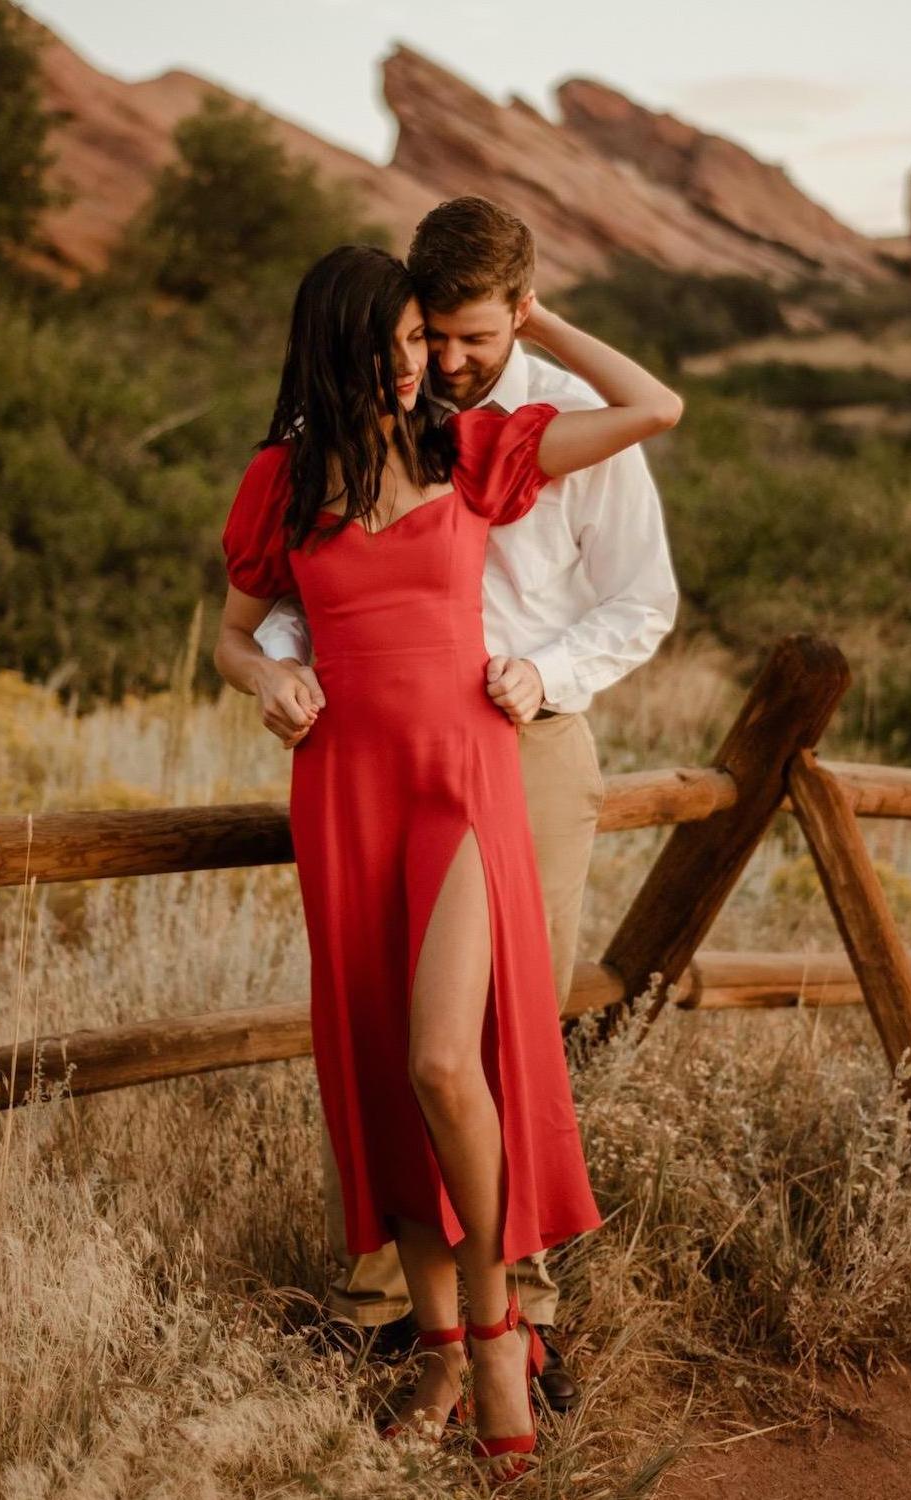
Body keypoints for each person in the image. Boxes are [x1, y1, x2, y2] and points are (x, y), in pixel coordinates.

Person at [215, 241, 681, 1481]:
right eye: (406, 342)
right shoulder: (284, 480)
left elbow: (656, 409)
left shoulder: (470, 453)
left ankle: (497, 1329)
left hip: (465, 777)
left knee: (444, 1060)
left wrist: (546, 324)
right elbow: (229, 631)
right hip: (345, 785)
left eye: (433, 340)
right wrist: (272, 676)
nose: (426, 364)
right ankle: (438, 1342)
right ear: (343, 345)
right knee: (386, 1074)